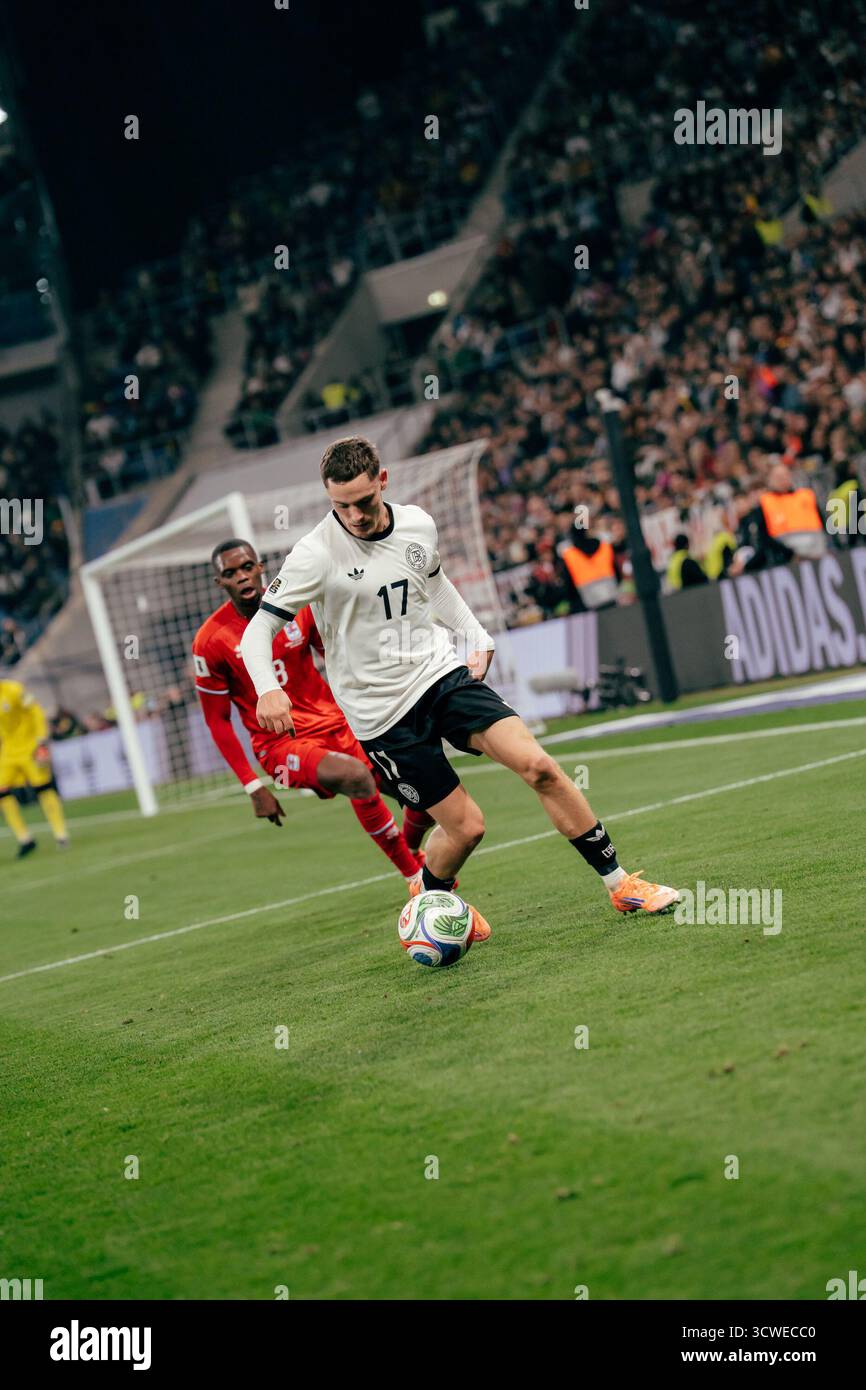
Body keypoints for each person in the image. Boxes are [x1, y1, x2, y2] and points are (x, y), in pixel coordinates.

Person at [240, 436, 680, 940]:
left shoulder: (416, 524)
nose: (355, 516)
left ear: (382, 481)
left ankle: (620, 884)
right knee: (468, 828)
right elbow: (258, 630)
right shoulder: (314, 554)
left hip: (438, 675)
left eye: (363, 501)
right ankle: (430, 897)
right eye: (341, 505)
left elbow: (435, 582)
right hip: (381, 715)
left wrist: (474, 633)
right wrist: (265, 689)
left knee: (539, 767)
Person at [192, 539, 429, 890]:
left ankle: (408, 850)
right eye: (230, 573)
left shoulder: (297, 609)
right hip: (279, 746)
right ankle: (415, 877)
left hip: (337, 724)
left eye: (246, 567)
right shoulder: (210, 641)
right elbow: (218, 721)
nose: (241, 577)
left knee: (423, 791)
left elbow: (337, 663)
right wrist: (253, 786)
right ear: (220, 583)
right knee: (356, 777)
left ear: (260, 567)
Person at [0, 678, 69, 859]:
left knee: (43, 789)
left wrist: (41, 740)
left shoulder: (14, 689)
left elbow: (35, 711)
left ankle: (60, 834)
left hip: (30, 748)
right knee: (2, 793)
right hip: (8, 752)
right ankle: (25, 839)